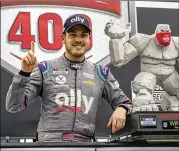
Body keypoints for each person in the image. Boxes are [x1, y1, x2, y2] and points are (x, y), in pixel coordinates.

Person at [6, 14, 132, 142]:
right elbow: (14, 106)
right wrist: (24, 74)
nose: (78, 39)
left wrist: (122, 108)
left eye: (83, 35)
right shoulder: (45, 69)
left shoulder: (101, 73)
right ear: (63, 38)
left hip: (85, 145)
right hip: (49, 144)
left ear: (89, 39)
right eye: (72, 34)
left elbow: (125, 102)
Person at [105, 22, 179, 112]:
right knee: (143, 96)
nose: (165, 33)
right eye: (162, 31)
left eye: (167, 31)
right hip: (149, 73)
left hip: (170, 75)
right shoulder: (144, 41)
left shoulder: (176, 43)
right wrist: (116, 39)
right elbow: (119, 61)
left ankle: (171, 100)